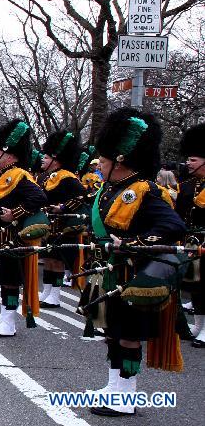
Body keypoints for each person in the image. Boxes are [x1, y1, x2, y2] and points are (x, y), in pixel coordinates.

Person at [85, 108, 185, 417]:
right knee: (111, 332)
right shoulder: (111, 188)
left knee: (128, 335)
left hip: (131, 273)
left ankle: (127, 394)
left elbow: (173, 227)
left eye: (103, 159)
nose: (99, 163)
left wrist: (132, 244)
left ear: (122, 158)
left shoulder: (144, 191)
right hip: (107, 270)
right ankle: (114, 385)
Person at [0, 119, 48, 338]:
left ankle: (9, 322)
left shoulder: (18, 175)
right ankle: (3, 317)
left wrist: (15, 213)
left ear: (10, 155)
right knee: (2, 279)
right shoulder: (0, 175)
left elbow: (39, 197)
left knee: (10, 281)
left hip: (11, 237)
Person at [38, 131, 87, 309]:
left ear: (56, 158)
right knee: (48, 260)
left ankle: (56, 295)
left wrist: (63, 207)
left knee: (58, 261)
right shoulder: (46, 177)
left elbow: (82, 196)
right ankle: (47, 290)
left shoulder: (68, 177)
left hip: (63, 226)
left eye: (46, 156)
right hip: (48, 225)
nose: (42, 159)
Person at [177, 123, 205, 348]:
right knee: (195, 285)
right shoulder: (186, 186)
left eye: (193, 160)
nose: (189, 163)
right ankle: (198, 324)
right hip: (192, 241)